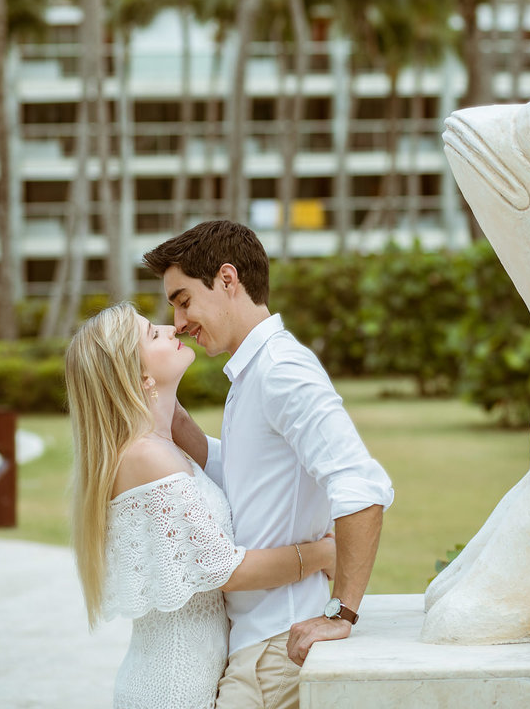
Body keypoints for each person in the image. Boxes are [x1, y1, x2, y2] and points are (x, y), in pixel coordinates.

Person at [143, 221, 394, 709]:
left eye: (183, 299)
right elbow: (243, 475)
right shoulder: (253, 372)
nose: (177, 321)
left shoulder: (280, 369)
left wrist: (341, 613)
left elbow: (361, 486)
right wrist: (172, 417)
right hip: (257, 646)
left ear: (228, 279)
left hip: (275, 652)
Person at [65, 302, 337, 709]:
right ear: (138, 376)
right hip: (175, 686)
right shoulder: (146, 458)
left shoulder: (161, 446)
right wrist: (324, 553)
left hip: (192, 675)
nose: (172, 328)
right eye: (153, 334)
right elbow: (225, 569)